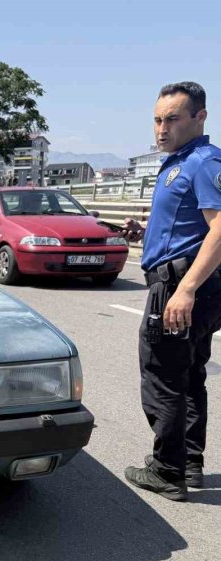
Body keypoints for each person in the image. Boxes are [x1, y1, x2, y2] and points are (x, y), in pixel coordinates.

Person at [121, 82, 221, 501]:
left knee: (162, 377)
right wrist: (144, 234)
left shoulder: (203, 162)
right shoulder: (179, 161)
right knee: (188, 375)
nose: (162, 129)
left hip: (182, 287)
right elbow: (188, 226)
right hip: (187, 281)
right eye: (158, 120)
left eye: (173, 119)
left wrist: (186, 290)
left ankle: (167, 470)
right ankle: (190, 463)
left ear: (200, 118)